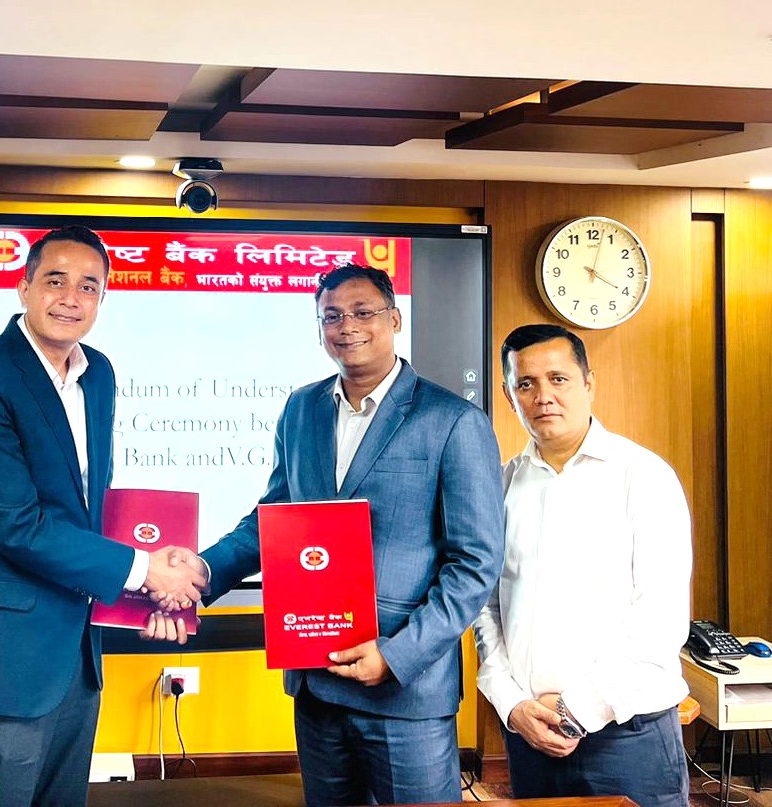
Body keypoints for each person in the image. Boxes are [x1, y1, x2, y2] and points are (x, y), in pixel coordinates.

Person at [151, 263, 505, 805]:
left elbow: (475, 562)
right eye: (332, 316)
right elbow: (273, 518)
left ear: (395, 319)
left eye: (363, 312)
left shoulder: (452, 419)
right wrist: (204, 569)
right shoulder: (302, 408)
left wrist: (397, 655)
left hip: (403, 686)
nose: (347, 326)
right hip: (316, 679)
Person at [0, 225, 204, 807]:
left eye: (89, 286)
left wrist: (144, 593)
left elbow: (88, 507)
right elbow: (15, 523)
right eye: (55, 281)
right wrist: (144, 570)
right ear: (23, 287)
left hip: (76, 651)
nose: (71, 298)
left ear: (102, 299)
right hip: (1, 656)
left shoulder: (97, 373)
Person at [473, 323, 691, 807]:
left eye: (558, 379)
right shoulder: (502, 485)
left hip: (626, 735)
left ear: (588, 383)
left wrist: (578, 711)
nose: (543, 396)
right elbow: (486, 608)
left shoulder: (643, 477)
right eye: (525, 384)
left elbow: (660, 618)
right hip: (530, 733)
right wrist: (511, 703)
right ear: (509, 397)